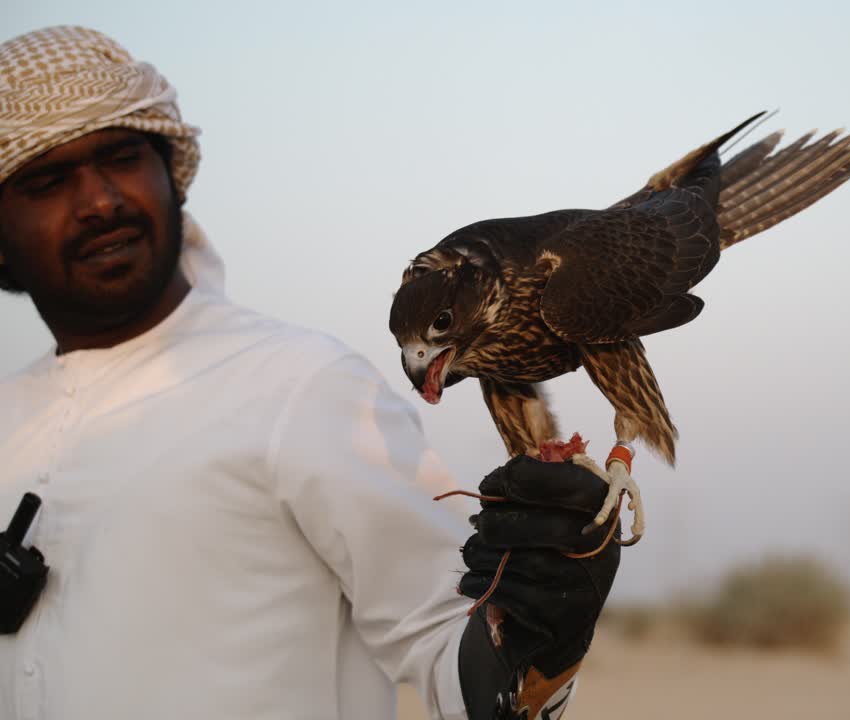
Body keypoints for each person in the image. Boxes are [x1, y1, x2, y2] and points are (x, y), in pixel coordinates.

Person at [0, 25, 619, 720]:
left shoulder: (299, 383)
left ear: (169, 176)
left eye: (119, 157)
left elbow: (453, 653)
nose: (100, 201)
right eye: (47, 180)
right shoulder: (9, 418)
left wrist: (538, 627)